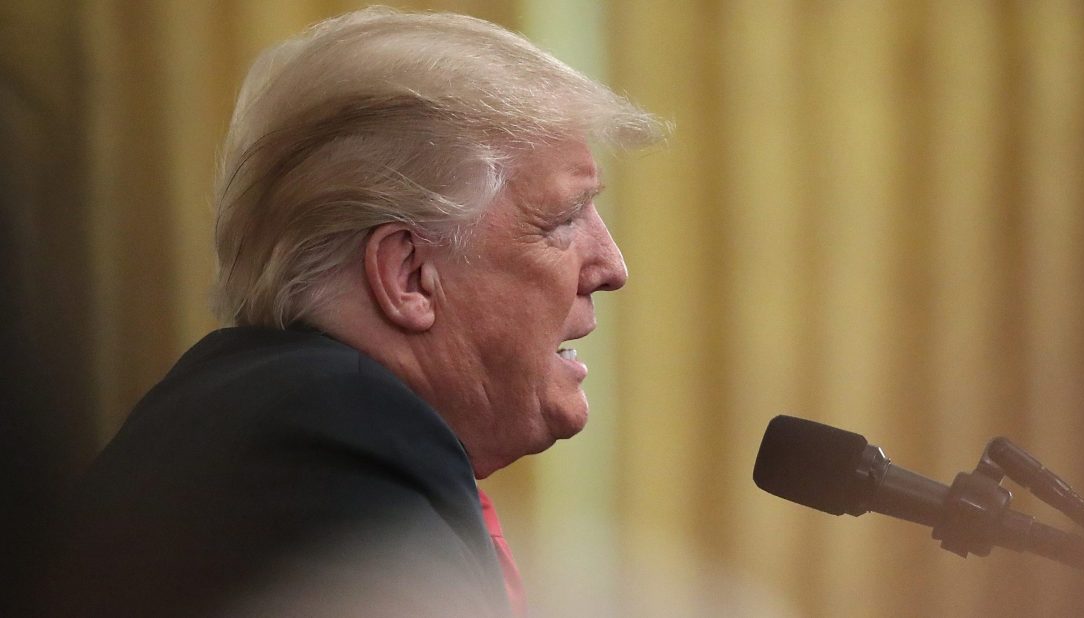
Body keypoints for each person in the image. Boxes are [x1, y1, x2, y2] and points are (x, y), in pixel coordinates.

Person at [48, 7, 666, 617]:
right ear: (408, 276)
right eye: (563, 219)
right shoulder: (333, 439)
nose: (612, 267)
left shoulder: (268, 416)